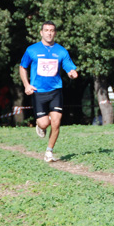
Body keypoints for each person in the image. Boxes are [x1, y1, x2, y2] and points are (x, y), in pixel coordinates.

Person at [20, 21, 78, 162]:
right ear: (41, 32)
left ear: (55, 33)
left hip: (55, 91)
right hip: (38, 92)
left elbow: (69, 67)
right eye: (46, 30)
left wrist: (72, 73)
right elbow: (22, 67)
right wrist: (27, 85)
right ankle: (40, 126)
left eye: (52, 30)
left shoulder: (61, 51)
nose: (49, 33)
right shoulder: (32, 50)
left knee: (56, 123)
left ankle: (49, 152)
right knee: (45, 123)